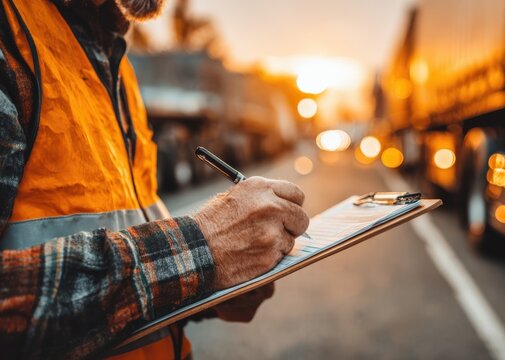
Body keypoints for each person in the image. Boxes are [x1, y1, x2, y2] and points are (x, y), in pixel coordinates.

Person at [0, 0, 309, 359]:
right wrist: (204, 249)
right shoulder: (10, 39)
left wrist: (212, 281)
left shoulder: (115, 65)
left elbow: (123, 259)